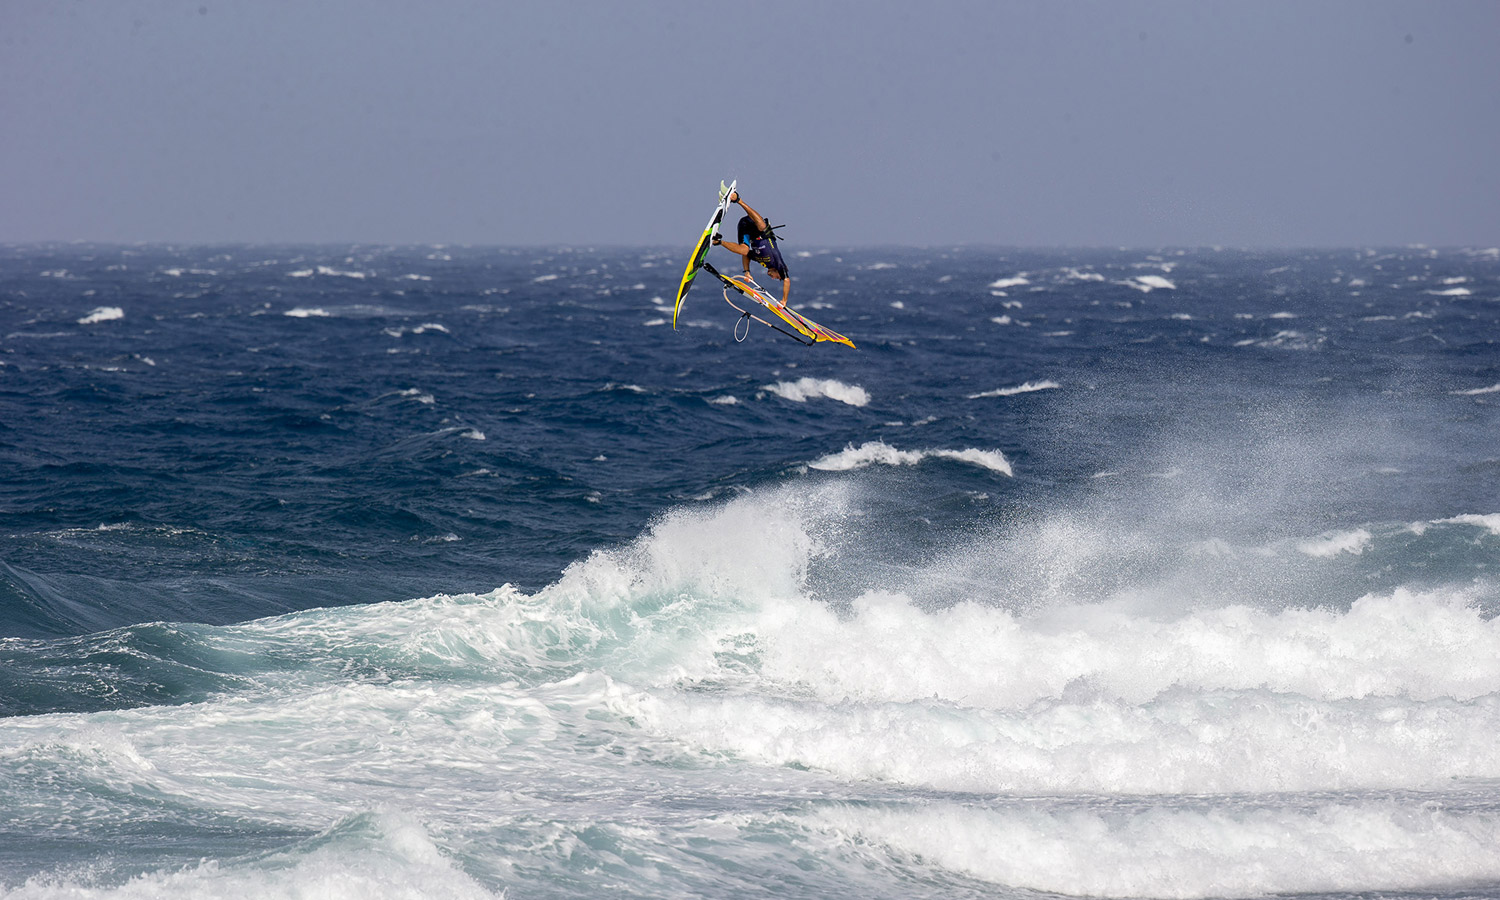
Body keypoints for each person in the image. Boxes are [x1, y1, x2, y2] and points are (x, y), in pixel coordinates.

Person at [712, 190, 790, 307]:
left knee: (744, 250)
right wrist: (784, 301)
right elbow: (787, 281)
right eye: (776, 277)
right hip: (755, 224)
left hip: (745, 229)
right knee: (762, 227)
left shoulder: (763, 262)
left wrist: (747, 272)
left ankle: (718, 241)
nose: (772, 278)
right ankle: (738, 200)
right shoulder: (778, 264)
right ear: (779, 272)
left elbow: (746, 255)